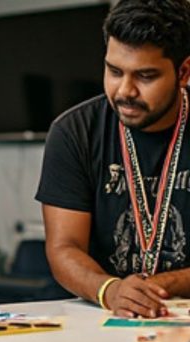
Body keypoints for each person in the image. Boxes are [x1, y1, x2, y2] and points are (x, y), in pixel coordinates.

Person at [36, 0, 190, 318]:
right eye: (114, 71)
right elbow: (64, 247)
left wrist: (161, 286)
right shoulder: (73, 131)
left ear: (184, 72)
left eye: (145, 76)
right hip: (100, 311)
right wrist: (111, 290)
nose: (124, 91)